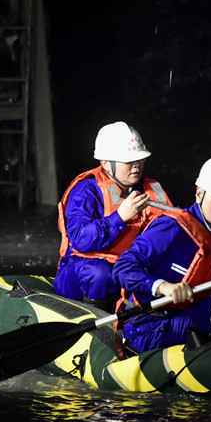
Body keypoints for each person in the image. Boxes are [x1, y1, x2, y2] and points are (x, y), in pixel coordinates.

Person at [113, 153, 211, 353]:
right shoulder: (170, 227)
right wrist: (164, 287)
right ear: (199, 194)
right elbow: (123, 267)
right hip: (147, 325)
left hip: (184, 314)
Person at [54, 121, 173, 311]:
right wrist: (119, 217)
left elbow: (174, 226)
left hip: (131, 265)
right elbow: (79, 239)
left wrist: (202, 222)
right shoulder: (86, 190)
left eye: (140, 160)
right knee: (101, 275)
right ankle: (97, 324)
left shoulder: (151, 188)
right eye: (129, 161)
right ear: (106, 164)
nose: (136, 166)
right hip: (85, 267)